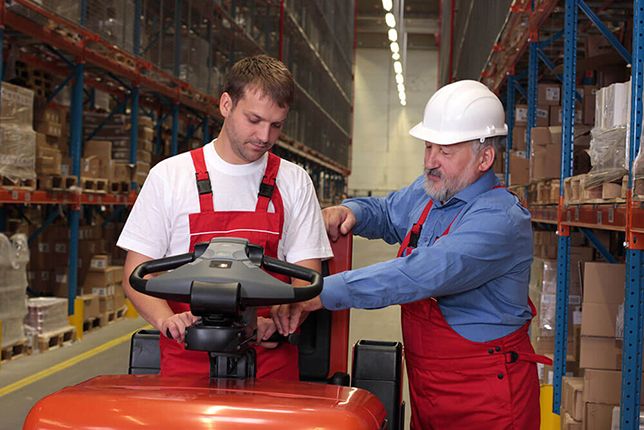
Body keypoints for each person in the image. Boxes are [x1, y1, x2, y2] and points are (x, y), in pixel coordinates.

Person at [273, 80, 551, 429]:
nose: (430, 161)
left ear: (485, 158)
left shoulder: (500, 220)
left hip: (488, 400)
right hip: (430, 392)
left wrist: (320, 291)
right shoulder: (431, 192)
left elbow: (418, 274)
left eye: (445, 151)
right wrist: (352, 212)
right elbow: (388, 212)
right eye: (428, 146)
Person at [118, 55, 333, 379]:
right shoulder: (171, 176)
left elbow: (306, 279)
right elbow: (136, 273)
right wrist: (167, 320)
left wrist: (280, 319)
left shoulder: (294, 181)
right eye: (254, 119)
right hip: (186, 365)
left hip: (268, 367)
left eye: (276, 125)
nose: (265, 135)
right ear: (226, 104)